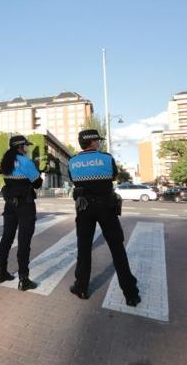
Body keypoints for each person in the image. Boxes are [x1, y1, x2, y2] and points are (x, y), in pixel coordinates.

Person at [68, 129, 141, 306]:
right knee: (117, 249)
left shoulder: (72, 161)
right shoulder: (106, 158)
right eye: (98, 141)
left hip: (83, 208)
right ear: (92, 142)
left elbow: (73, 180)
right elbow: (114, 175)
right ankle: (130, 294)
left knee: (84, 248)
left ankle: (82, 287)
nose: (99, 143)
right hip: (106, 207)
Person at [0, 135, 42, 290]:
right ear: (21, 146)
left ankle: (1, 273)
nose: (27, 148)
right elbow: (37, 183)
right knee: (24, 242)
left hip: (9, 205)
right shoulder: (26, 161)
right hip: (25, 205)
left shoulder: (5, 161)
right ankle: (24, 279)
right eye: (26, 146)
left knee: (6, 239)